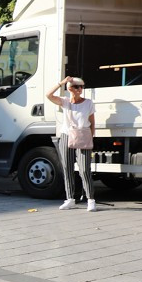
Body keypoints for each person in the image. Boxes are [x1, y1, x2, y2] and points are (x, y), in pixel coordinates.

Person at [48, 75, 96, 211]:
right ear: (70, 88)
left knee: (85, 169)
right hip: (66, 136)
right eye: (76, 87)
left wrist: (91, 137)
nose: (80, 89)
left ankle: (91, 200)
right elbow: (48, 95)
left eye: (81, 86)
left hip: (83, 136)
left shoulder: (88, 103)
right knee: (67, 168)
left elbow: (92, 122)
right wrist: (61, 82)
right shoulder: (65, 102)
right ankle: (70, 199)